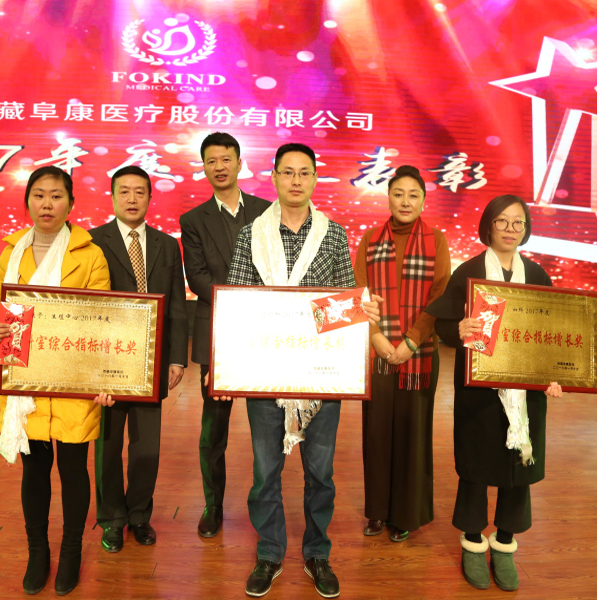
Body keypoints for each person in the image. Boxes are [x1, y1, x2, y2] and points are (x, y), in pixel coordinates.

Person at [223, 142, 380, 599]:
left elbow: (344, 305)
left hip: (320, 373)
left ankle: (317, 553)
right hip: (264, 370)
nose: (296, 180)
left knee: (321, 473)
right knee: (265, 471)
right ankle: (270, 552)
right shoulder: (251, 234)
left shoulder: (333, 235)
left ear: (314, 178)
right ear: (273, 176)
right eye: (288, 172)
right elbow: (238, 302)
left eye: (304, 172)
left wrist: (361, 311)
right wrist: (229, 365)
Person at [0, 165, 114, 596]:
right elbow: (0, 307)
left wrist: (105, 377)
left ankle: (71, 550)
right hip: (25, 375)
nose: (47, 204)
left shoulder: (90, 255)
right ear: (27, 202)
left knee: (74, 468)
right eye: (39, 195)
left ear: (71, 204)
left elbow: (104, 321)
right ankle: (37, 552)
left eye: (56, 196)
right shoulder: (11, 252)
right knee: (34, 468)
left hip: (74, 377)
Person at [427, 194, 563, 592]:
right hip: (479, 392)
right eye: (502, 221)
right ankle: (472, 541)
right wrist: (459, 330)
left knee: (517, 467)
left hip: (525, 392)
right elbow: (442, 325)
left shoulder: (537, 275)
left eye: (518, 222)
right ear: (488, 225)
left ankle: (504, 544)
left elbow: (553, 335)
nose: (510, 229)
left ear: (526, 228)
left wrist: (557, 374)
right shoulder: (468, 272)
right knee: (475, 466)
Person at [89, 165, 189, 554]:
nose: (132, 199)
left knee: (147, 447)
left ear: (150, 197)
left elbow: (177, 305)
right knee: (109, 446)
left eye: (139, 192)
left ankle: (139, 515)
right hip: (107, 360)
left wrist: (176, 358)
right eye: (124, 191)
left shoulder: (167, 245)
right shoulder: (92, 241)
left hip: (151, 360)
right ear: (113, 196)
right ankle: (112, 519)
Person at [352, 165, 451, 542]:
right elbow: (359, 293)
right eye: (398, 194)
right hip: (377, 353)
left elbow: (440, 297)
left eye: (413, 195)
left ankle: (406, 514)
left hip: (419, 355)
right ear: (388, 198)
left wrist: (411, 342)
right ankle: (378, 512)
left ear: (423, 200)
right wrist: (376, 337)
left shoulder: (436, 241)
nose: (405, 201)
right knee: (377, 433)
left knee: (413, 434)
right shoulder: (370, 239)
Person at [179, 132, 270, 538]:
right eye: (211, 160)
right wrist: (238, 302)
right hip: (216, 333)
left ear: (239, 163)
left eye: (226, 159)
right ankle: (213, 505)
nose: (219, 166)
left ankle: (265, 506)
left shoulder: (267, 211)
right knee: (213, 430)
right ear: (203, 167)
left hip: (264, 334)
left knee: (267, 426)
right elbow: (197, 277)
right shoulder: (193, 220)